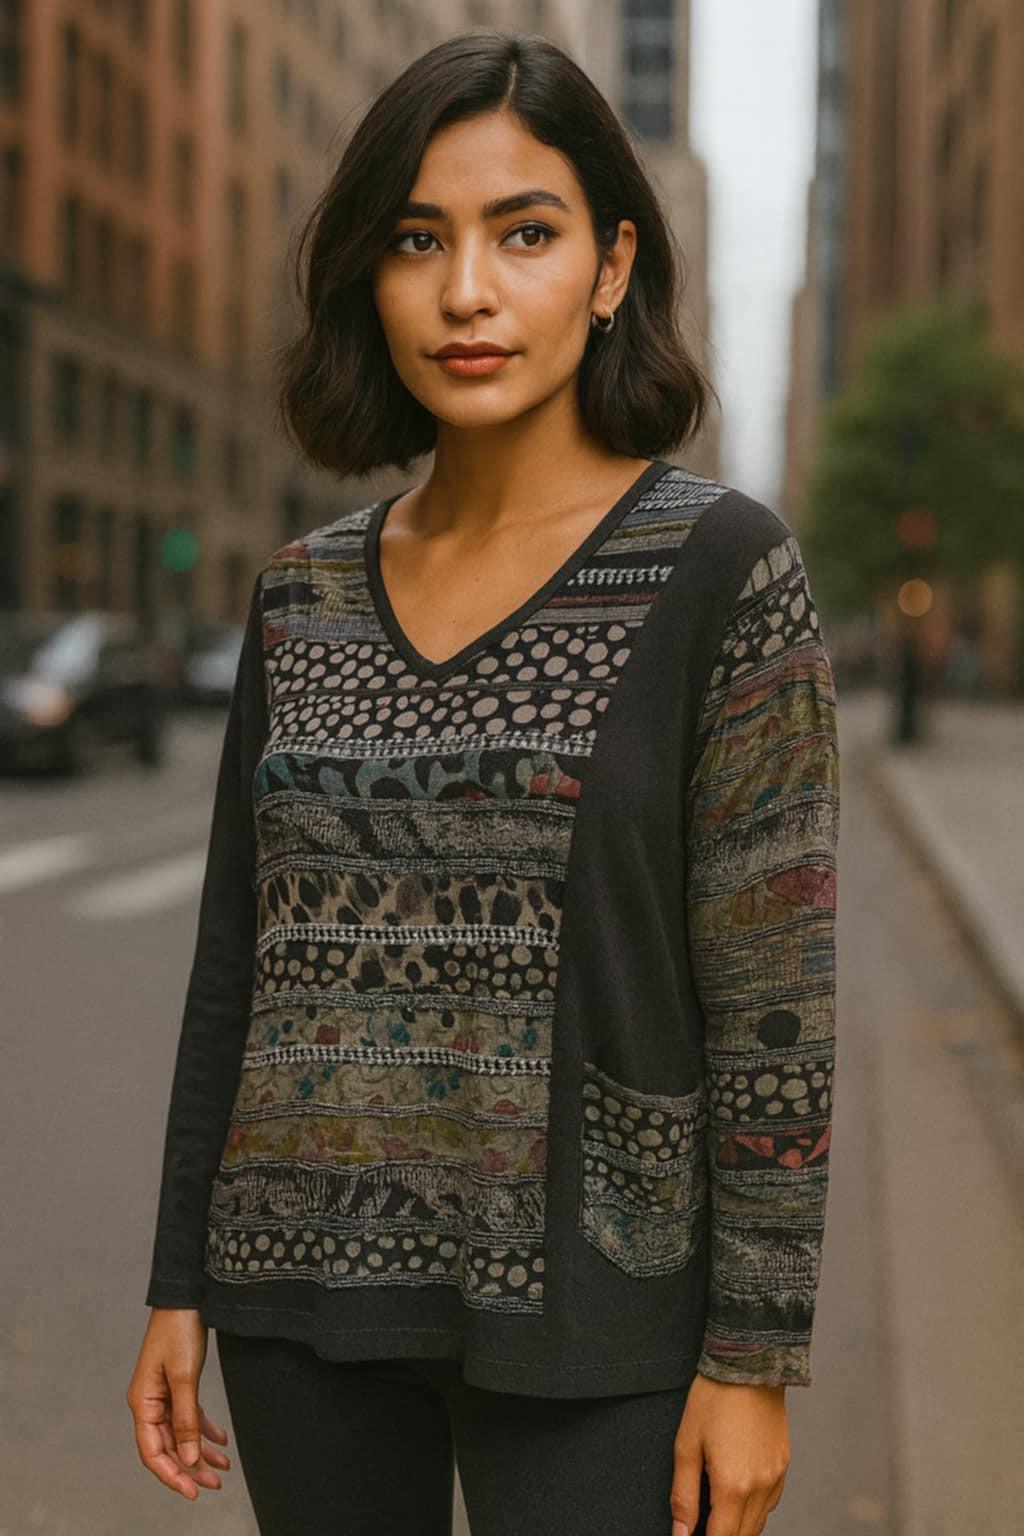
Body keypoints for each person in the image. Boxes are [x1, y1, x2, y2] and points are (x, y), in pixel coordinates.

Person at [126, 30, 840, 1536]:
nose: (466, 290)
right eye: (416, 239)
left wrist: (754, 1356)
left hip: (603, 1315)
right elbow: (231, 972)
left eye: (525, 232)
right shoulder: (300, 595)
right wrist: (179, 1280)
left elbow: (776, 1000)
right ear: (367, 281)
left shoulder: (721, 568)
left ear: (608, 264)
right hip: (297, 1295)